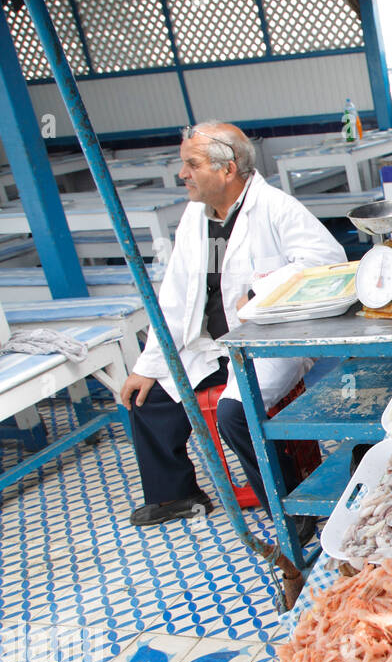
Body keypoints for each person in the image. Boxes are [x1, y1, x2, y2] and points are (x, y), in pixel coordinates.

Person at [120, 121, 345, 529]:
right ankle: (175, 493)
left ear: (226, 169)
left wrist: (262, 292)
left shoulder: (276, 207)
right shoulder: (195, 217)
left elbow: (325, 259)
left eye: (191, 164)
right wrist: (147, 365)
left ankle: (291, 507)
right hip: (208, 344)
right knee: (145, 397)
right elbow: (174, 294)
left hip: (265, 342)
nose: (182, 174)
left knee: (234, 414)